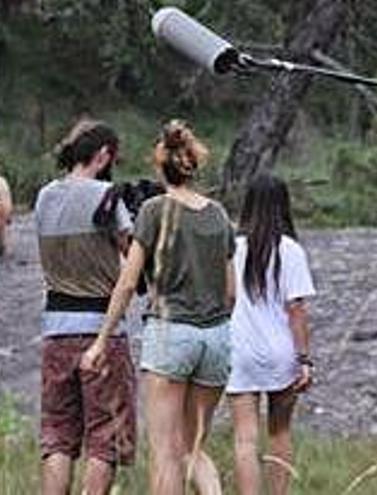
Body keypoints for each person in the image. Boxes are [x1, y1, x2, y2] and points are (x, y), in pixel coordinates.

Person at [81, 120, 236, 495]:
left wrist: (101, 341)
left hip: (170, 333)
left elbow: (129, 282)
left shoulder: (154, 211)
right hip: (215, 338)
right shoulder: (218, 214)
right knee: (194, 447)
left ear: (159, 166)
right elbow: (231, 292)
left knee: (165, 451)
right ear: (193, 165)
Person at [35, 119, 136, 495]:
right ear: (104, 154)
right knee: (104, 437)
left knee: (58, 436)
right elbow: (134, 259)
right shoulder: (108, 196)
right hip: (101, 331)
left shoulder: (45, 196)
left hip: (55, 331)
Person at [227, 174, 316, 495]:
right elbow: (296, 310)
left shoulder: (232, 250)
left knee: (244, 438)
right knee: (280, 432)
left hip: (239, 350)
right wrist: (304, 358)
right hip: (281, 352)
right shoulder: (290, 250)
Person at [0, 173, 11, 256]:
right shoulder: (2, 181)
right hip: (4, 207)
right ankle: (2, 246)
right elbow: (7, 198)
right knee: (2, 228)